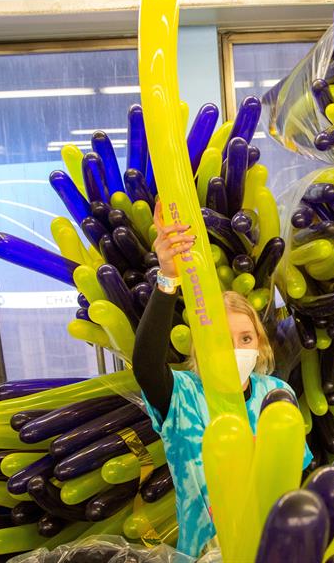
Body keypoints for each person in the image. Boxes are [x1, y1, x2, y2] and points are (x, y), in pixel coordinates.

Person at [133, 204, 312, 558]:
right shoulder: (181, 396)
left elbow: (299, 477)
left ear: (260, 344)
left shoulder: (276, 394)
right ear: (200, 347)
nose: (236, 349)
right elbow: (145, 363)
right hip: (203, 553)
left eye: (245, 338)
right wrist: (168, 276)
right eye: (221, 339)